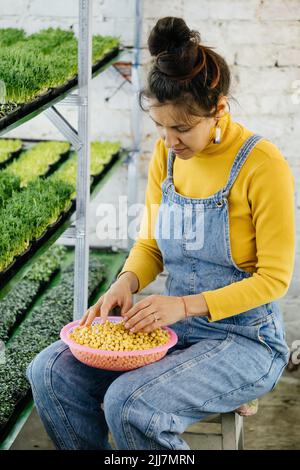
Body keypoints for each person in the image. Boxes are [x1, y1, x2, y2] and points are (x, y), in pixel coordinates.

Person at [26, 17, 295, 450]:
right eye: (161, 127)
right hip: (173, 329)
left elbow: (274, 280)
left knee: (129, 404)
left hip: (245, 339)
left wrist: (184, 305)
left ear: (219, 109)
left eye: (183, 129)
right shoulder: (167, 158)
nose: (170, 141)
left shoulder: (262, 165)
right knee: (50, 372)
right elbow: (151, 243)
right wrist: (126, 282)